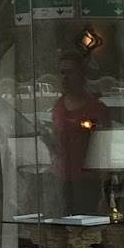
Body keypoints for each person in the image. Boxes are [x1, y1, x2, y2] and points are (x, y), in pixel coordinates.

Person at [50, 50, 110, 214]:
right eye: (62, 73)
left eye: (69, 72)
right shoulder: (58, 106)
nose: (65, 78)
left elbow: (104, 149)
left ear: (82, 75)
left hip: (87, 180)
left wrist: (105, 188)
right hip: (61, 178)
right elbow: (55, 141)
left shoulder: (96, 108)